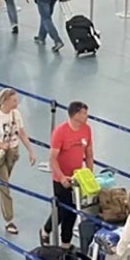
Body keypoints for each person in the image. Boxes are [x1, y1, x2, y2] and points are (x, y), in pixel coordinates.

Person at [0, 89, 35, 235]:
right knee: (5, 186)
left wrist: (30, 151)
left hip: (12, 152)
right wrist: (0, 145)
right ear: (4, 101)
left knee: (0, 181)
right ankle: (9, 220)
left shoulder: (16, 114)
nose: (17, 103)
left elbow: (21, 133)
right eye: (14, 100)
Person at [44, 101, 93, 246]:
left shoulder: (87, 129)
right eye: (84, 113)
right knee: (61, 210)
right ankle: (46, 230)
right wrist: (61, 177)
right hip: (61, 178)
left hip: (77, 178)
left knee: (72, 212)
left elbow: (89, 153)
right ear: (76, 115)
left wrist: (89, 174)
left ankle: (65, 243)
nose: (87, 116)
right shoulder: (60, 132)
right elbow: (52, 158)